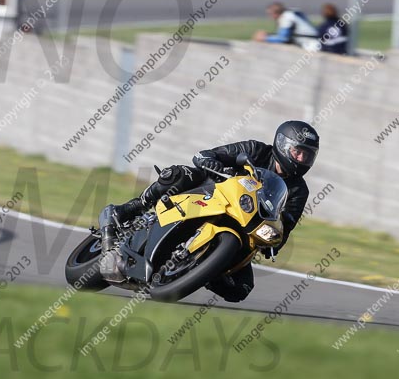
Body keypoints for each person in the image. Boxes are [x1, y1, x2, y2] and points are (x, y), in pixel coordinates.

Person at [99, 121, 319, 302]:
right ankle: (131, 208)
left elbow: (285, 225)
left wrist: (274, 242)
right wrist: (216, 166)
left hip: (244, 225)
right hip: (209, 194)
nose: (301, 159)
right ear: (282, 145)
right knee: (178, 175)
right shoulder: (255, 150)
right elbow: (206, 155)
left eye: (307, 156)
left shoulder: (299, 191)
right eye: (297, 152)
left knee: (240, 289)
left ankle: (199, 269)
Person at [253, 2, 320, 51]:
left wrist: (264, 38)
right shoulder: (293, 12)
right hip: (314, 41)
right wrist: (268, 34)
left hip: (309, 46)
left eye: (270, 14)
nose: (271, 18)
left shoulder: (286, 17)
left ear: (276, 13)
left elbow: (283, 38)